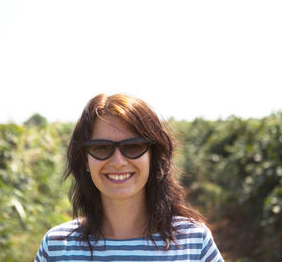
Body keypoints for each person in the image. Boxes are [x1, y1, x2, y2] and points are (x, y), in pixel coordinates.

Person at [35, 93, 224, 261]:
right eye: (101, 147)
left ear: (153, 156)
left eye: (133, 146)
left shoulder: (194, 241)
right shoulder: (56, 248)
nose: (118, 161)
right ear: (85, 159)